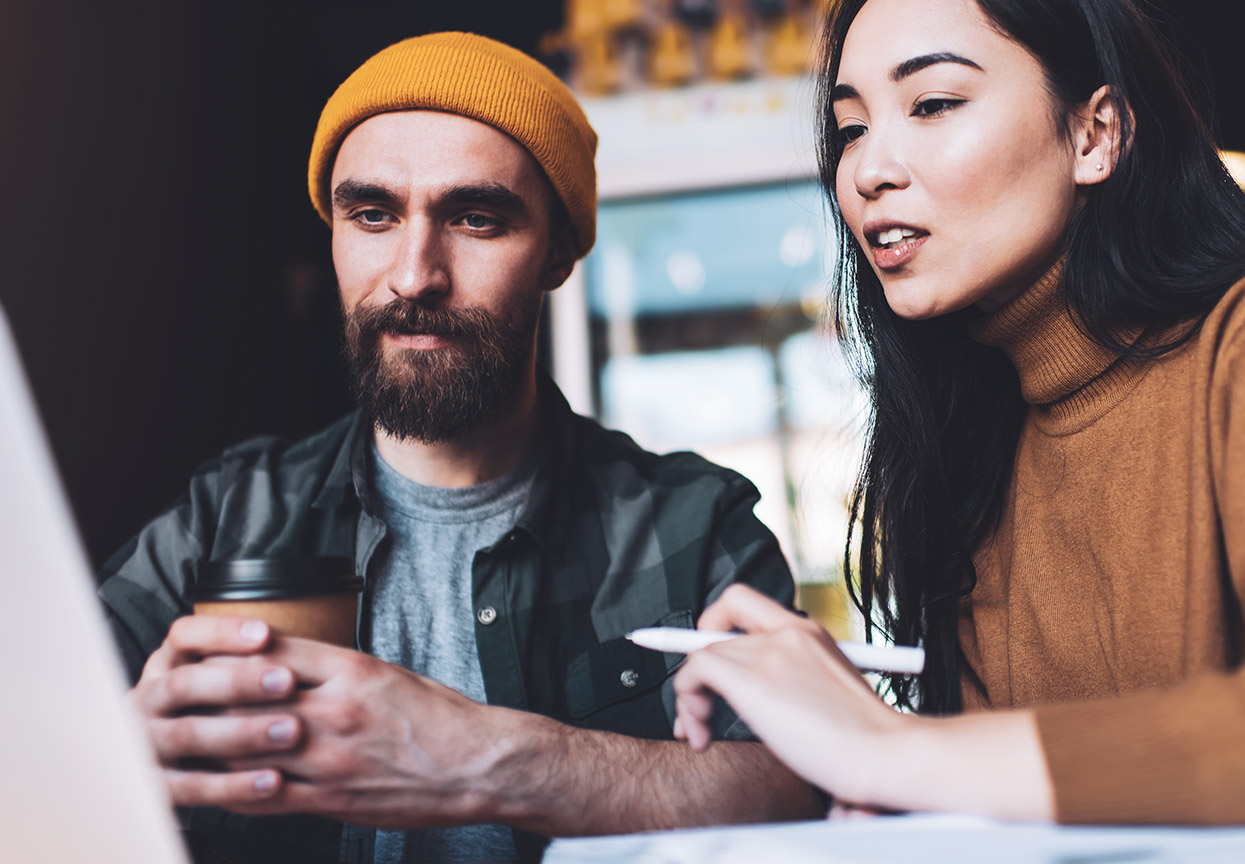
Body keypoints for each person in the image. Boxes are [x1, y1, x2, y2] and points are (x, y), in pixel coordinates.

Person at [669, 0, 1245, 853]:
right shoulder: (976, 457)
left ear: (1095, 135)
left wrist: (896, 751)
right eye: (850, 128)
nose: (866, 171)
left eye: (931, 104)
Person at [97, 32, 821, 864]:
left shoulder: (691, 524)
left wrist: (482, 756)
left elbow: (795, 787)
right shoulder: (230, 512)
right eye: (372, 214)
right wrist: (118, 744)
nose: (413, 275)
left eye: (476, 219)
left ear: (557, 252)